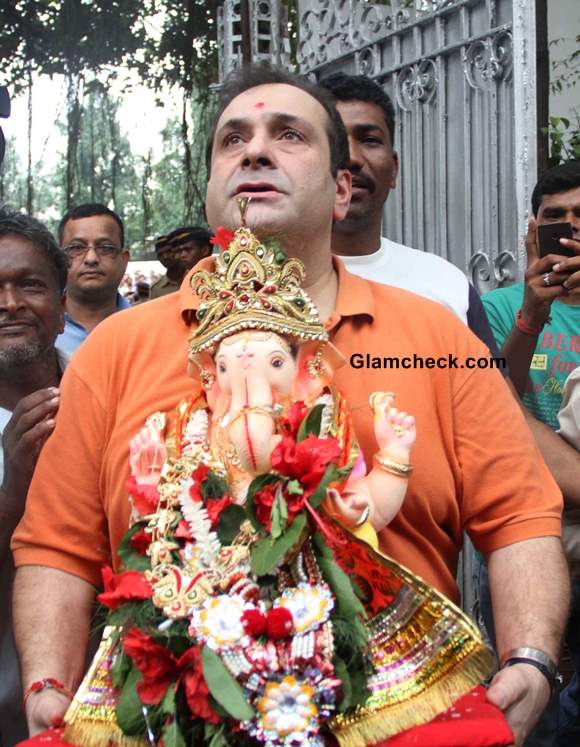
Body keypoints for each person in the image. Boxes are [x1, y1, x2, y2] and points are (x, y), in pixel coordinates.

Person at [12, 64, 568, 746]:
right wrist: (47, 684)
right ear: (213, 187)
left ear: (340, 188)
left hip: (403, 716)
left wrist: (532, 658)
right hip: (169, 718)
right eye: (232, 139)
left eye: (289, 134)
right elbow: (56, 547)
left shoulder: (435, 336)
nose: (254, 150)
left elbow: (520, 516)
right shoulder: (113, 349)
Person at [483, 161, 580, 746]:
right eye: (555, 220)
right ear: (531, 232)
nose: (569, 229)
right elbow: (490, 407)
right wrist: (531, 316)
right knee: (533, 700)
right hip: (530, 534)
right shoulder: (497, 309)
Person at [320, 73, 493, 342]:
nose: (352, 158)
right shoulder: (264, 293)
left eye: (370, 140)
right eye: (336, 142)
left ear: (394, 169)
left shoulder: (447, 284)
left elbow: (493, 382)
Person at [0, 208, 67, 747]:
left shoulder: (106, 387)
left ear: (64, 306)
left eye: (30, 285)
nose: (9, 305)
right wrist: (14, 490)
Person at [56, 203, 130, 356]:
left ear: (124, 260)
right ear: (59, 259)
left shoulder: (147, 327)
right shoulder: (39, 328)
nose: (91, 258)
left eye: (106, 248)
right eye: (76, 248)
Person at [150, 226, 212, 299]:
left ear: (205, 250)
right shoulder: (186, 280)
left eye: (188, 249)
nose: (181, 255)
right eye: (179, 251)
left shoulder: (222, 277)